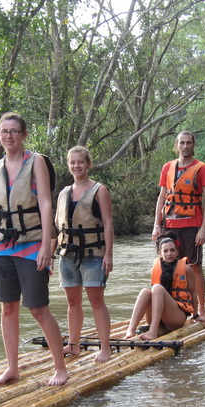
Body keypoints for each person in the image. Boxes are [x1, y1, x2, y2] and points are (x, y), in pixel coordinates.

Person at [0, 112, 68, 386]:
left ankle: (60, 368)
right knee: (7, 308)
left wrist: (47, 248)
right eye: (4, 131)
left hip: (33, 243)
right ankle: (12, 367)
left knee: (38, 308)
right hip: (2, 245)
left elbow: (46, 205)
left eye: (14, 131)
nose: (8, 136)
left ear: (24, 134)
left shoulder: (36, 161)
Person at [55, 146, 114, 363]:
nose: (76, 166)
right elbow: (57, 227)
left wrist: (108, 254)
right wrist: (51, 254)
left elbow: (108, 224)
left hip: (93, 254)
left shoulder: (99, 190)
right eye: (73, 162)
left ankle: (105, 347)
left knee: (96, 301)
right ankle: (74, 345)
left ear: (88, 164)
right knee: (72, 302)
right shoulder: (63, 193)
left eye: (80, 162)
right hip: (67, 254)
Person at [152, 131, 205, 317]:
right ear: (176, 145)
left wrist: (203, 229)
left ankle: (201, 309)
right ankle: (173, 308)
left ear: (193, 145)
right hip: (169, 225)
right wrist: (157, 225)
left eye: (188, 143)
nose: (185, 146)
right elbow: (162, 197)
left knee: (194, 266)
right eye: (182, 143)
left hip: (192, 225)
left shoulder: (202, 168)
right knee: (168, 266)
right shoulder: (168, 167)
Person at [124, 233, 205, 340]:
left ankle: (153, 331)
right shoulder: (154, 269)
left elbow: (193, 292)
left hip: (176, 317)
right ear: (160, 253)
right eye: (165, 251)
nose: (169, 253)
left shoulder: (187, 269)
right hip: (158, 317)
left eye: (172, 250)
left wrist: (196, 315)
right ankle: (130, 330)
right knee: (145, 291)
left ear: (177, 252)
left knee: (157, 288)